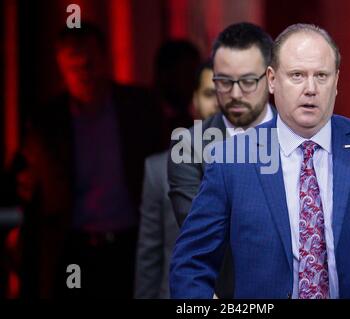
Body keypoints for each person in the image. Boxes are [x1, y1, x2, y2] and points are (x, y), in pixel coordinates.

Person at [170, 23, 350, 299]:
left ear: (336, 82)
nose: (310, 89)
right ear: (272, 80)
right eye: (297, 75)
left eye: (321, 76)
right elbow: (190, 264)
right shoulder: (232, 160)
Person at [18, 23, 164, 298]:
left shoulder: (139, 108)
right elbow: (30, 187)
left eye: (90, 63)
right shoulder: (47, 123)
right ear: (62, 70)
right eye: (75, 66)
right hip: (74, 248)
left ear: (105, 59)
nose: (85, 73)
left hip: (130, 245)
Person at [167, 22, 276, 298]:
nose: (236, 94)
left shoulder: (299, 136)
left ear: (271, 78)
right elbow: (202, 233)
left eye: (248, 81)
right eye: (224, 82)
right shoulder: (189, 146)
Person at [134, 61, 218, 298]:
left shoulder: (263, 166)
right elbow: (149, 257)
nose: (220, 102)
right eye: (210, 93)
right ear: (194, 102)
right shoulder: (158, 170)